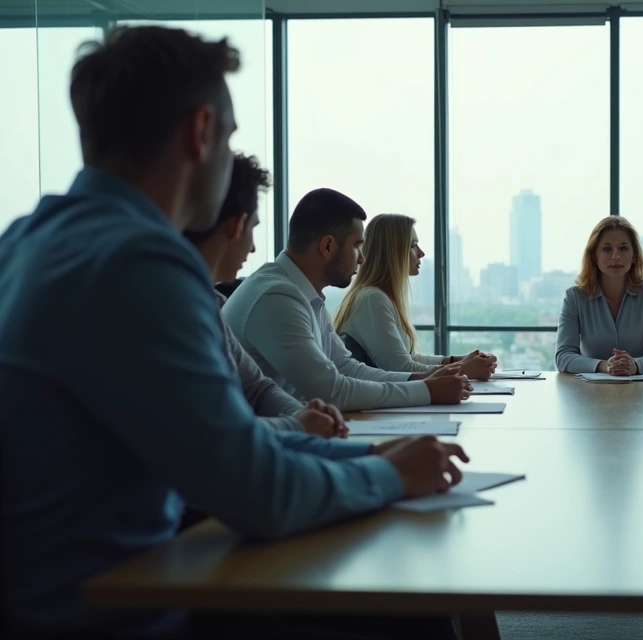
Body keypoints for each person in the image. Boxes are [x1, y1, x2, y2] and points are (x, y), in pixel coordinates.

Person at [0, 26, 466, 639]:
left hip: (63, 593)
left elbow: (229, 436)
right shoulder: (141, 263)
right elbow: (258, 491)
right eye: (231, 138)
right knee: (409, 606)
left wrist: (360, 453)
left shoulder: (25, 241)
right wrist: (388, 474)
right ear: (200, 133)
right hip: (114, 613)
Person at [222, 188, 472, 411]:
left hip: (295, 431)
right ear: (328, 246)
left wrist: (424, 380)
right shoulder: (276, 297)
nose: (362, 259)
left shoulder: (305, 295)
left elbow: (346, 368)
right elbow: (332, 391)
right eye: (356, 246)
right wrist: (428, 391)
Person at [184, 152, 346, 438]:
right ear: (236, 226)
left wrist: (300, 415)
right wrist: (298, 424)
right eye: (253, 229)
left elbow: (258, 389)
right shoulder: (274, 295)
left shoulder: (211, 303)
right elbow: (209, 431)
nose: (253, 249)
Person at [333, 213, 498, 378]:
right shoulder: (372, 299)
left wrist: (460, 360)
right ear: (393, 252)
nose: (421, 253)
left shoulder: (380, 296)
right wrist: (463, 369)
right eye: (413, 245)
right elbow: (402, 368)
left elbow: (409, 358)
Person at [556, 216, 643, 375]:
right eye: (607, 249)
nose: (616, 256)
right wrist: (604, 366)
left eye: (623, 248)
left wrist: (634, 365)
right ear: (594, 256)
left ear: (634, 255)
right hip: (589, 394)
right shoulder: (575, 297)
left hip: (642, 391)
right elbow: (563, 356)